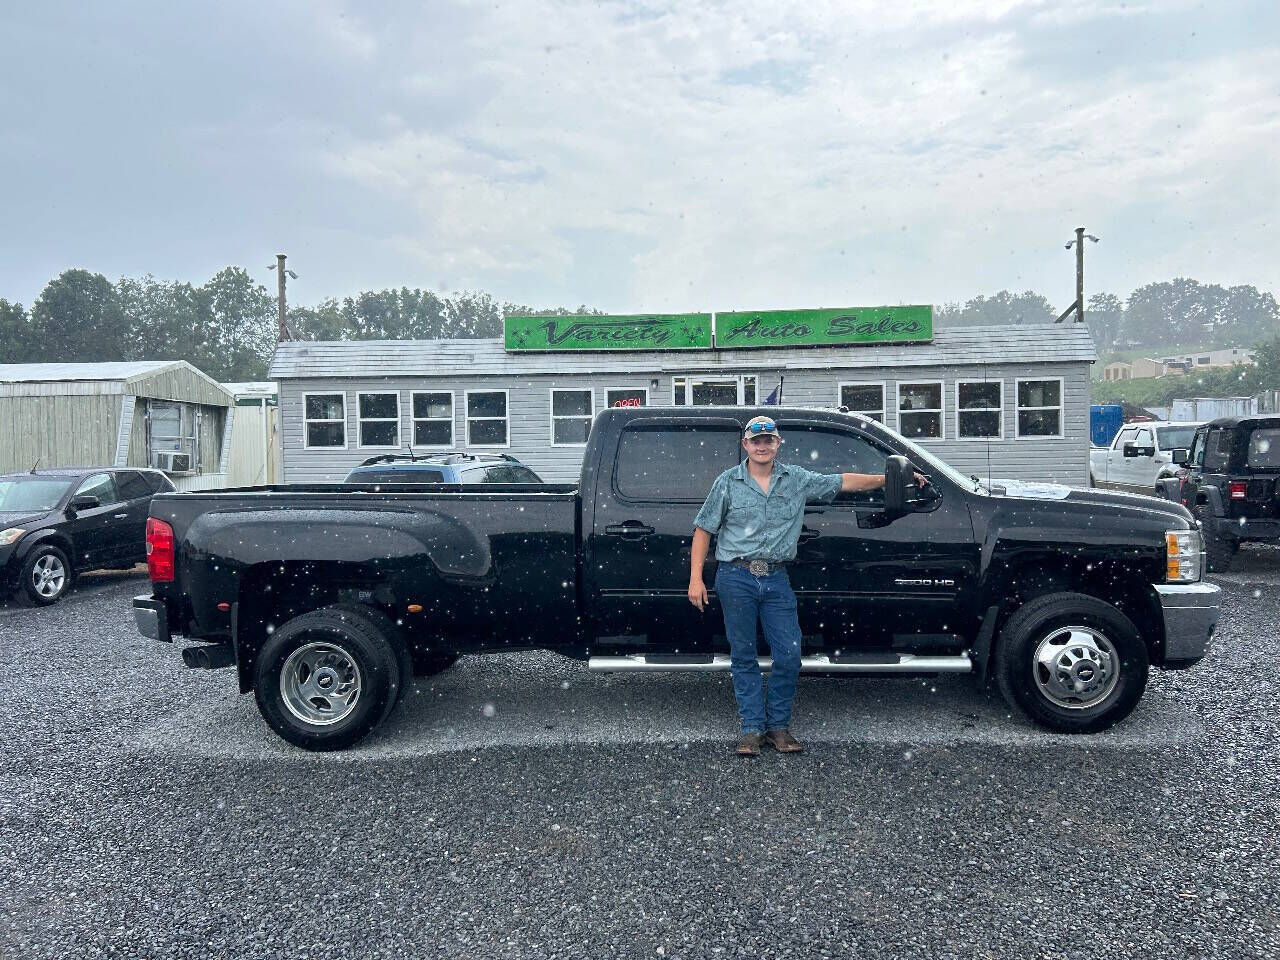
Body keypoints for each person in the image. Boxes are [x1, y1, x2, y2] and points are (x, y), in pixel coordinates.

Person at [688, 415, 927, 756]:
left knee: (789, 654)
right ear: (745, 444)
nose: (762, 445)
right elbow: (703, 530)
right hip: (735, 576)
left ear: (777, 443)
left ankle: (778, 728)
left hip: (776, 578)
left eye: (768, 440)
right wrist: (696, 578)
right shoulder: (727, 482)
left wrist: (889, 479)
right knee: (743, 656)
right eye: (755, 440)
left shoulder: (797, 479)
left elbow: (843, 482)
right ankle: (752, 730)